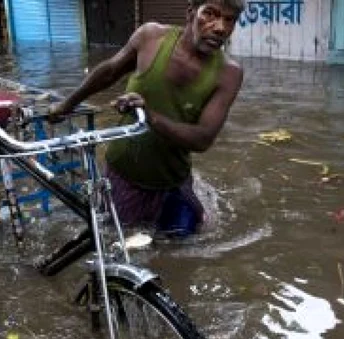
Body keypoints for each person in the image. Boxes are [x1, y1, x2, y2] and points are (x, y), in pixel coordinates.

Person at [50, 0, 244, 236]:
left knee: (186, 244)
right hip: (125, 174)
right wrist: (67, 104)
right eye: (211, 14)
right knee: (116, 241)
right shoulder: (151, 38)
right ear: (191, 13)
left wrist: (149, 115)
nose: (220, 27)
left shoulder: (229, 73)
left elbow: (203, 139)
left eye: (229, 20)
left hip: (173, 180)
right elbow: (110, 71)